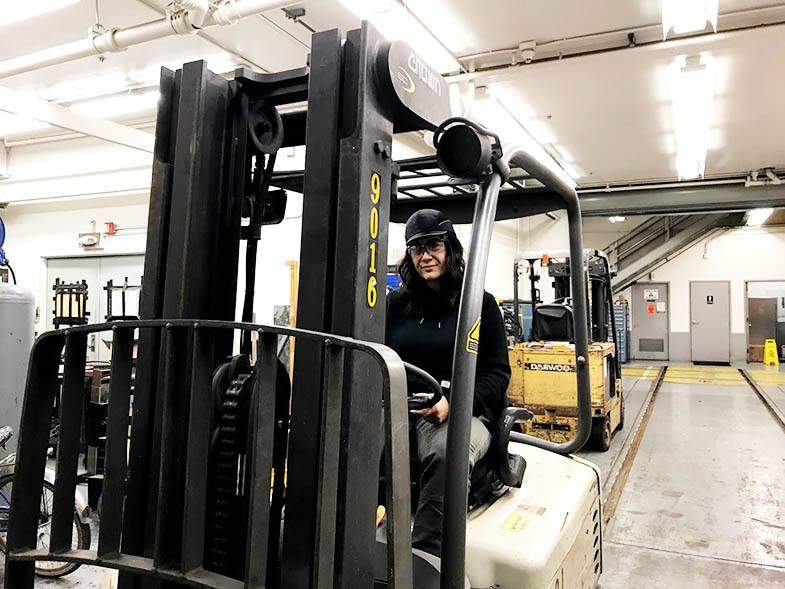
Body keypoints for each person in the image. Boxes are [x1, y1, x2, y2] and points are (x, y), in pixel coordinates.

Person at [385, 208, 511, 557]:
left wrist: (453, 402)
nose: (425, 256)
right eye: (416, 248)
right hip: (402, 408)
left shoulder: (478, 305)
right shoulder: (396, 305)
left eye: (434, 246)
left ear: (451, 249)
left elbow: (497, 374)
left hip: (457, 412)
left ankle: (426, 557)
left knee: (445, 453)